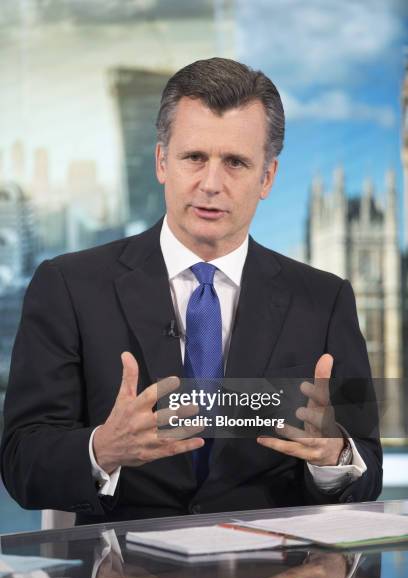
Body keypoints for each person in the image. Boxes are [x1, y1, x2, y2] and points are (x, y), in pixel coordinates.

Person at [0, 58, 382, 525]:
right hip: (122, 577)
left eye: (236, 163)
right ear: (163, 162)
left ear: (267, 178)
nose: (211, 184)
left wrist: (335, 454)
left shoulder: (325, 300)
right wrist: (102, 449)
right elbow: (21, 462)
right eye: (194, 157)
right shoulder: (69, 286)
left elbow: (368, 469)